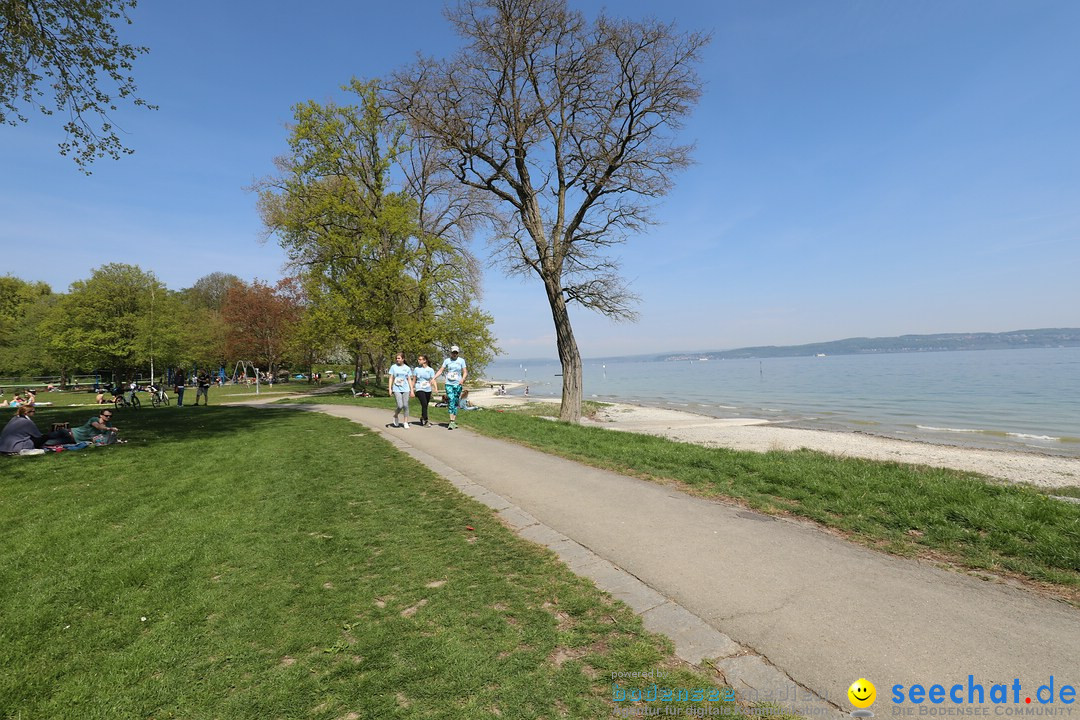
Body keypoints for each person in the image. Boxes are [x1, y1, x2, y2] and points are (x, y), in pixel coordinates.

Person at [433, 345, 467, 430]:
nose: (454, 354)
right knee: (451, 400)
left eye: (456, 353)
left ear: (458, 353)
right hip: (449, 383)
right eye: (453, 352)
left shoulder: (461, 361)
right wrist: (434, 377)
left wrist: (463, 379)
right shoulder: (447, 361)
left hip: (458, 384)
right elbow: (441, 370)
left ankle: (453, 421)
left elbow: (465, 372)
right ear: (450, 353)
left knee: (455, 401)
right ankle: (451, 421)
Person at [386, 353, 414, 428]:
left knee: (405, 405)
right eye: (396, 358)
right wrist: (390, 388)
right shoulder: (393, 367)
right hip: (396, 388)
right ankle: (395, 415)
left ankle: (405, 422)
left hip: (406, 389)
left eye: (399, 358)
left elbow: (409, 379)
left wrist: (412, 390)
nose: (397, 360)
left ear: (403, 359)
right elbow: (391, 378)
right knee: (400, 405)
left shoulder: (407, 368)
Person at [412, 354, 438, 427]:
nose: (418, 361)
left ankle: (422, 417)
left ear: (424, 360)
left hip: (427, 389)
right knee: (423, 403)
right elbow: (413, 380)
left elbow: (433, 380)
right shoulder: (416, 369)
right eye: (418, 359)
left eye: (420, 359)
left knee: (425, 405)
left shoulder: (430, 370)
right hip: (419, 388)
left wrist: (435, 388)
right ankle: (426, 420)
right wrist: (411, 389)